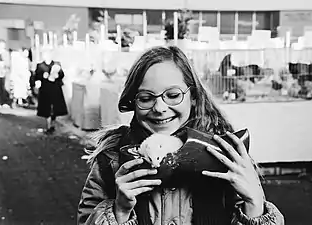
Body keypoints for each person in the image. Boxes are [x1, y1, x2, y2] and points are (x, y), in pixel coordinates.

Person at [77, 46, 284, 225]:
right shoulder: (111, 160)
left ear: (193, 97)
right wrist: (119, 211)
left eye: (173, 95)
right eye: (146, 98)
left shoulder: (227, 156)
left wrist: (255, 205)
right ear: (133, 102)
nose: (159, 108)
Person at [34, 49, 68, 134]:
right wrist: (42, 76)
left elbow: (62, 75)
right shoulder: (40, 65)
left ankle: (52, 123)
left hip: (55, 89)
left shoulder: (56, 64)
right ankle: (49, 125)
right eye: (45, 55)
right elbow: (36, 76)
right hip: (45, 89)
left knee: (55, 108)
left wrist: (58, 75)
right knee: (47, 108)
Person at [0, 39, 12, 108]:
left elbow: (8, 63)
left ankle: (4, 102)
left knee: (4, 88)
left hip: (4, 73)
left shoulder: (6, 53)